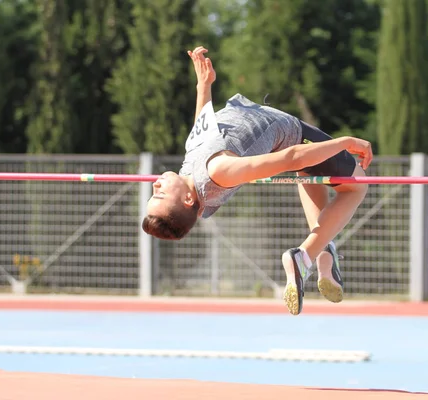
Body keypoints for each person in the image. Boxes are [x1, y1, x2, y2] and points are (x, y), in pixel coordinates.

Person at [143, 46, 372, 316]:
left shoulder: (188, 174)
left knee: (310, 173)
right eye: (160, 194)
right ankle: (304, 257)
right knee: (358, 185)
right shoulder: (219, 171)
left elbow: (200, 135)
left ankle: (324, 250)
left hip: (262, 124)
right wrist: (344, 142)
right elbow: (293, 158)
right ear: (187, 199)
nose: (155, 185)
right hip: (289, 132)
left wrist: (203, 86)